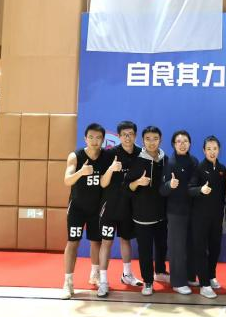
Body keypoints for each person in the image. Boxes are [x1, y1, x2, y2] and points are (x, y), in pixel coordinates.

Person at [62, 123, 112, 299]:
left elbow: (105, 182)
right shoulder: (76, 156)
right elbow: (67, 180)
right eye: (91, 137)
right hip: (77, 207)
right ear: (85, 138)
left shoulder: (106, 157)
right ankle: (68, 282)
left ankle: (95, 274)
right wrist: (81, 172)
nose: (94, 141)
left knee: (96, 242)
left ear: (103, 140)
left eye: (98, 137)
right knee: (73, 243)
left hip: (96, 208)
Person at [96, 121, 144, 297]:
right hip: (110, 206)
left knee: (126, 240)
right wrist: (111, 169)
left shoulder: (141, 153)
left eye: (130, 134)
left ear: (135, 135)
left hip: (129, 205)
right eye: (124, 134)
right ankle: (103, 281)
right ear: (119, 136)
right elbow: (103, 183)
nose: (127, 137)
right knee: (106, 242)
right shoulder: (109, 154)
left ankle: (127, 274)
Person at [125, 126, 170, 296]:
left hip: (162, 215)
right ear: (143, 140)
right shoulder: (137, 161)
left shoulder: (166, 159)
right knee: (145, 250)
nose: (152, 142)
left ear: (160, 140)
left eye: (155, 139)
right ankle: (148, 281)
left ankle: (160, 272)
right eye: (148, 139)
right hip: (142, 215)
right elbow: (126, 188)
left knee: (162, 246)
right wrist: (137, 182)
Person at [160, 130, 198, 295]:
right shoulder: (169, 163)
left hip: (193, 211)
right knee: (177, 248)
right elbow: (162, 190)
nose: (182, 144)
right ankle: (177, 282)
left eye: (185, 141)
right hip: (176, 212)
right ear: (174, 144)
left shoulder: (194, 161)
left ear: (190, 143)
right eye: (179, 142)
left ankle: (189, 276)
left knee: (190, 245)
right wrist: (170, 185)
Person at [188, 135, 226, 299]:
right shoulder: (198, 168)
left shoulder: (223, 169)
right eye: (209, 149)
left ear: (219, 150)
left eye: (215, 148)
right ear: (204, 150)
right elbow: (190, 189)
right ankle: (204, 284)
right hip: (199, 217)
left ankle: (211, 276)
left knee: (215, 247)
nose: (212, 152)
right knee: (200, 249)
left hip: (217, 217)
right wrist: (200, 190)